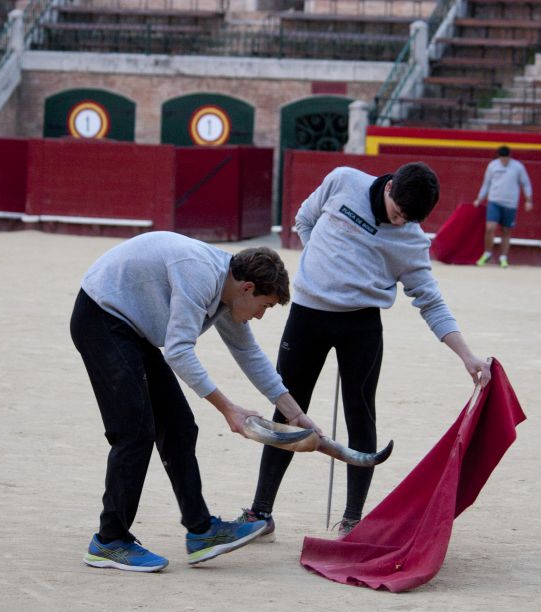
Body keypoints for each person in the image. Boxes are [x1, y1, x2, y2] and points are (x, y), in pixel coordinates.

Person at [235, 162, 492, 540]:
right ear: (389, 189)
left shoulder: (412, 239)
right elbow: (304, 220)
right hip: (308, 315)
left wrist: (467, 356)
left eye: (411, 219)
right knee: (287, 409)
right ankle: (261, 513)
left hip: (361, 326)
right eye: (399, 214)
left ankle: (353, 520)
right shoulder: (342, 181)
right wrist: (324, 265)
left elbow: (430, 301)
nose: (402, 223)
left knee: (361, 415)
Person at [70, 232, 318, 572]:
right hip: (101, 317)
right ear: (247, 288)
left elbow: (248, 353)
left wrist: (296, 414)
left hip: (130, 328)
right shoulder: (200, 274)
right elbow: (178, 350)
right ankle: (109, 541)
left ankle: (201, 532)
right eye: (265, 306)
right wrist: (229, 409)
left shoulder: (229, 293)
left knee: (179, 427)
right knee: (135, 432)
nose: (261, 316)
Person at [473, 145, 533, 268]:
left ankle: (503, 258)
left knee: (506, 231)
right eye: (502, 158)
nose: (504, 161)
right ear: (499, 157)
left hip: (510, 204)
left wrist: (528, 200)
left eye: (506, 158)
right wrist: (479, 199)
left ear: (509, 157)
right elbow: (486, 184)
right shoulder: (492, 165)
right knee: (490, 228)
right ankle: (487, 253)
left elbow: (526, 184)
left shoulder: (518, 167)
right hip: (494, 201)